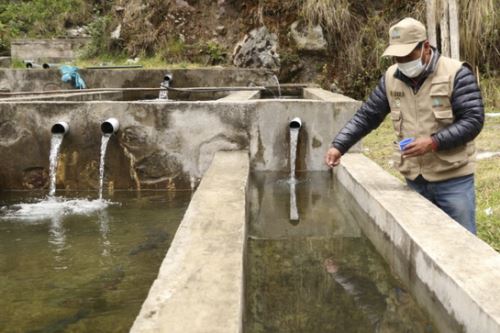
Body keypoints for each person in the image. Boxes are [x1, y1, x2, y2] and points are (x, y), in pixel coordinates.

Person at [324, 17, 484, 234]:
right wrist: (339, 145)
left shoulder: (455, 73)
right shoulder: (391, 78)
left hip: (452, 178)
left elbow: (473, 120)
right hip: (415, 179)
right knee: (423, 242)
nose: (402, 61)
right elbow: (367, 116)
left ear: (425, 47)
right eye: (397, 57)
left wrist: (434, 142)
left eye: (407, 55)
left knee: (462, 240)